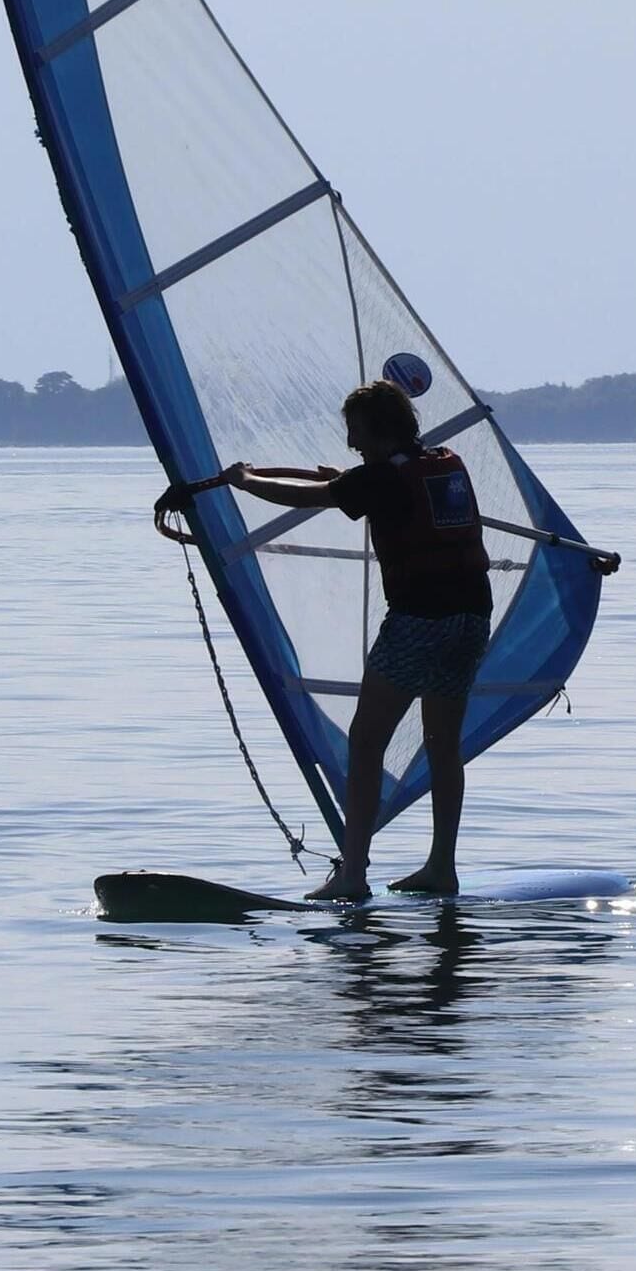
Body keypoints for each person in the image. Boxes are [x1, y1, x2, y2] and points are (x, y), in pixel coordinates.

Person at [156, 377, 494, 903]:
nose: (352, 444)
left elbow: (309, 497)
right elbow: (379, 492)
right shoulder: (445, 462)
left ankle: (353, 874)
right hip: (471, 619)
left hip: (419, 622)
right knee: (442, 744)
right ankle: (441, 867)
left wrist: (245, 479)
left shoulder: (377, 479)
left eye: (357, 432)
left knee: (365, 741)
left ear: (380, 431)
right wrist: (353, 481)